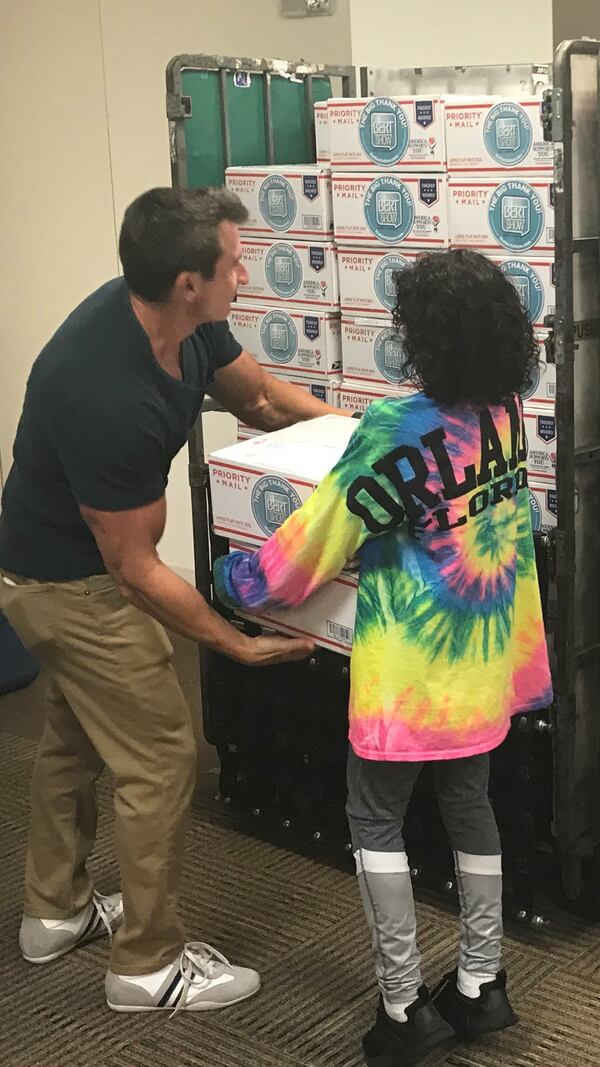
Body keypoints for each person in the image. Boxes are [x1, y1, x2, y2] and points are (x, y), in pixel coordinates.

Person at [0, 186, 351, 1014]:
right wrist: (231, 642)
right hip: (67, 583)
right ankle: (147, 966)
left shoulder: (184, 324)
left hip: (69, 564)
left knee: (75, 738)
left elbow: (260, 399)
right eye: (233, 263)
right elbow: (135, 570)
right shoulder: (105, 387)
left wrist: (358, 436)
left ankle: (54, 912)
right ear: (188, 281)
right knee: (161, 757)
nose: (245, 272)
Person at [213, 249, 553, 1065]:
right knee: (472, 807)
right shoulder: (507, 410)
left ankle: (402, 1007)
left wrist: (236, 575)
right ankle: (481, 981)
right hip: (485, 667)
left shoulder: (394, 432)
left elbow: (313, 547)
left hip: (409, 680)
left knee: (375, 818)